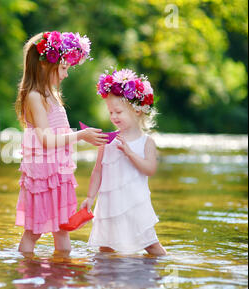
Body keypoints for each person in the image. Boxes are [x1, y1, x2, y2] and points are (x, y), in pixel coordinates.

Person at [15, 31, 108, 254]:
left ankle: (62, 277)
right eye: (64, 68)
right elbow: (46, 140)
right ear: (47, 66)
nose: (66, 75)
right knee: (33, 232)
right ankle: (26, 275)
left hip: (59, 172)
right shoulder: (35, 96)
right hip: (42, 173)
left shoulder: (51, 94)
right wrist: (81, 136)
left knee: (62, 228)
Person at [81, 68, 167, 256]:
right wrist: (90, 197)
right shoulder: (108, 140)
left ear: (137, 111)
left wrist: (129, 153)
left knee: (151, 245)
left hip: (135, 203)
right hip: (110, 204)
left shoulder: (146, 142)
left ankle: (161, 272)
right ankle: (108, 282)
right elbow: (97, 172)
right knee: (105, 248)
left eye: (118, 112)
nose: (113, 117)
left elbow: (150, 169)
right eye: (110, 112)